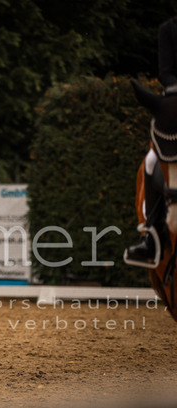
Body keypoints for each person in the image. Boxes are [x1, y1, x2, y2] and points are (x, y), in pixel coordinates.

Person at [125, 16, 177, 265]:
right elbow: (166, 72)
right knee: (150, 161)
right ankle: (151, 236)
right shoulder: (168, 29)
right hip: (174, 105)